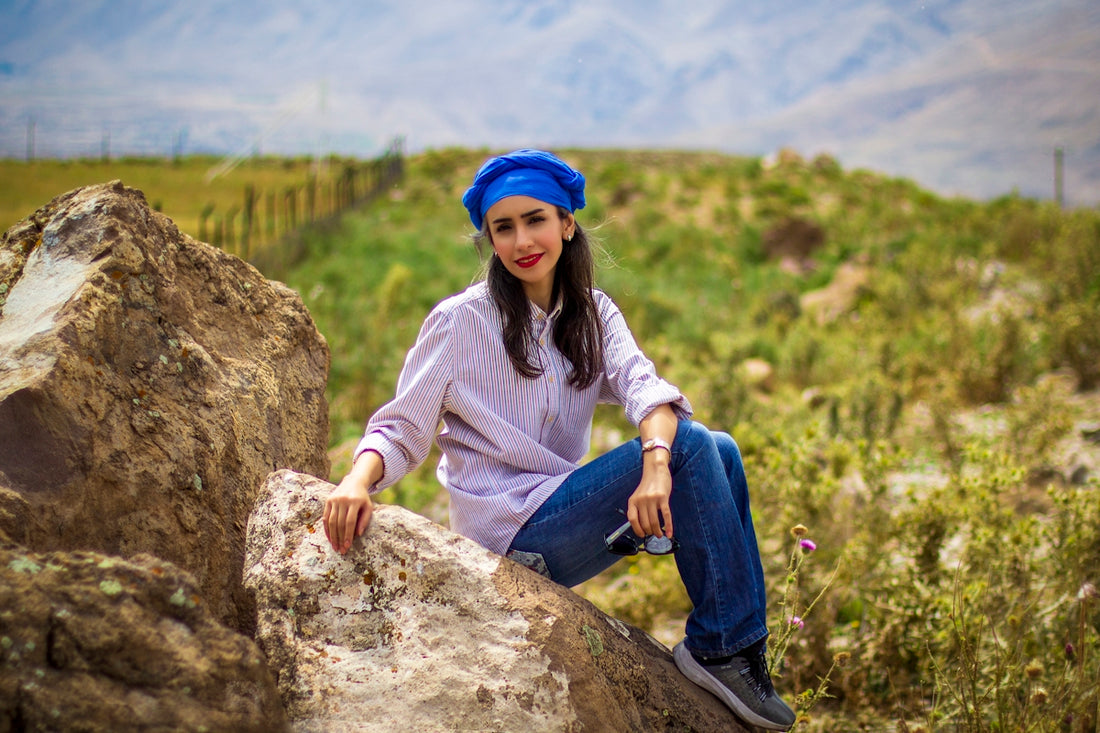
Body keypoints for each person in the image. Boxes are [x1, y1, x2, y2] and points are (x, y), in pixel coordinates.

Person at [323, 149, 796, 730]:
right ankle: (721, 648)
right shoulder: (460, 322)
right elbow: (400, 428)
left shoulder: (591, 314)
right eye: (504, 227)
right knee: (694, 447)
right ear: (490, 240)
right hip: (509, 539)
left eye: (536, 219)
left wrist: (655, 467)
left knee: (715, 446)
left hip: (561, 512)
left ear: (567, 224)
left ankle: (740, 650)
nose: (523, 240)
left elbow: (647, 390)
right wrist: (356, 480)